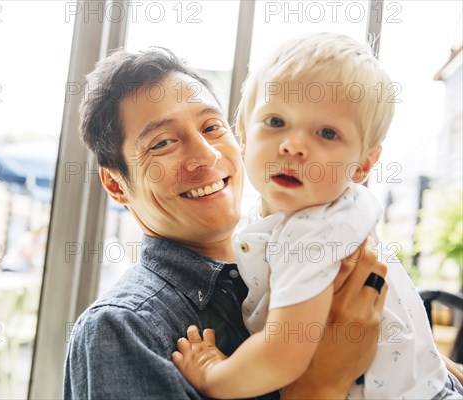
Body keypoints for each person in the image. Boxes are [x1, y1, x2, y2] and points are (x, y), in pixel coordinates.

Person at [63, 46, 390, 399]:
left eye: (212, 126)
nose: (207, 154)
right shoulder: (124, 328)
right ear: (116, 184)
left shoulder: (296, 250)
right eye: (162, 143)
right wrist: (322, 385)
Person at [172, 33, 463, 399]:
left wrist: (214, 374)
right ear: (244, 136)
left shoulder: (311, 233)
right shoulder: (319, 214)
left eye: (327, 132)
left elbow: (283, 355)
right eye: (276, 121)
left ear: (363, 165)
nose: (293, 144)